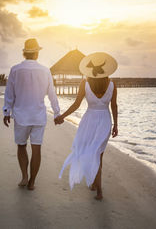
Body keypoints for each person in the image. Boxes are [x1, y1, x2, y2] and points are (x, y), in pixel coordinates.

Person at [56, 52, 118, 200]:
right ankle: (96, 186)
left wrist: (62, 116)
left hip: (89, 120)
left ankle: (99, 189)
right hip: (105, 120)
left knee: (92, 153)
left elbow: (76, 104)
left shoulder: (85, 83)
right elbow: (114, 106)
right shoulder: (111, 84)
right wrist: (116, 125)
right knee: (98, 154)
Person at [3, 38, 60, 190]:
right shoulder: (45, 70)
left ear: (24, 53)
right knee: (36, 149)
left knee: (21, 146)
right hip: (39, 116)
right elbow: (52, 94)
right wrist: (56, 113)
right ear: (37, 53)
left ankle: (24, 177)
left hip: (21, 116)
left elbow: (9, 93)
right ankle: (32, 182)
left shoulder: (15, 70)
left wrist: (6, 111)